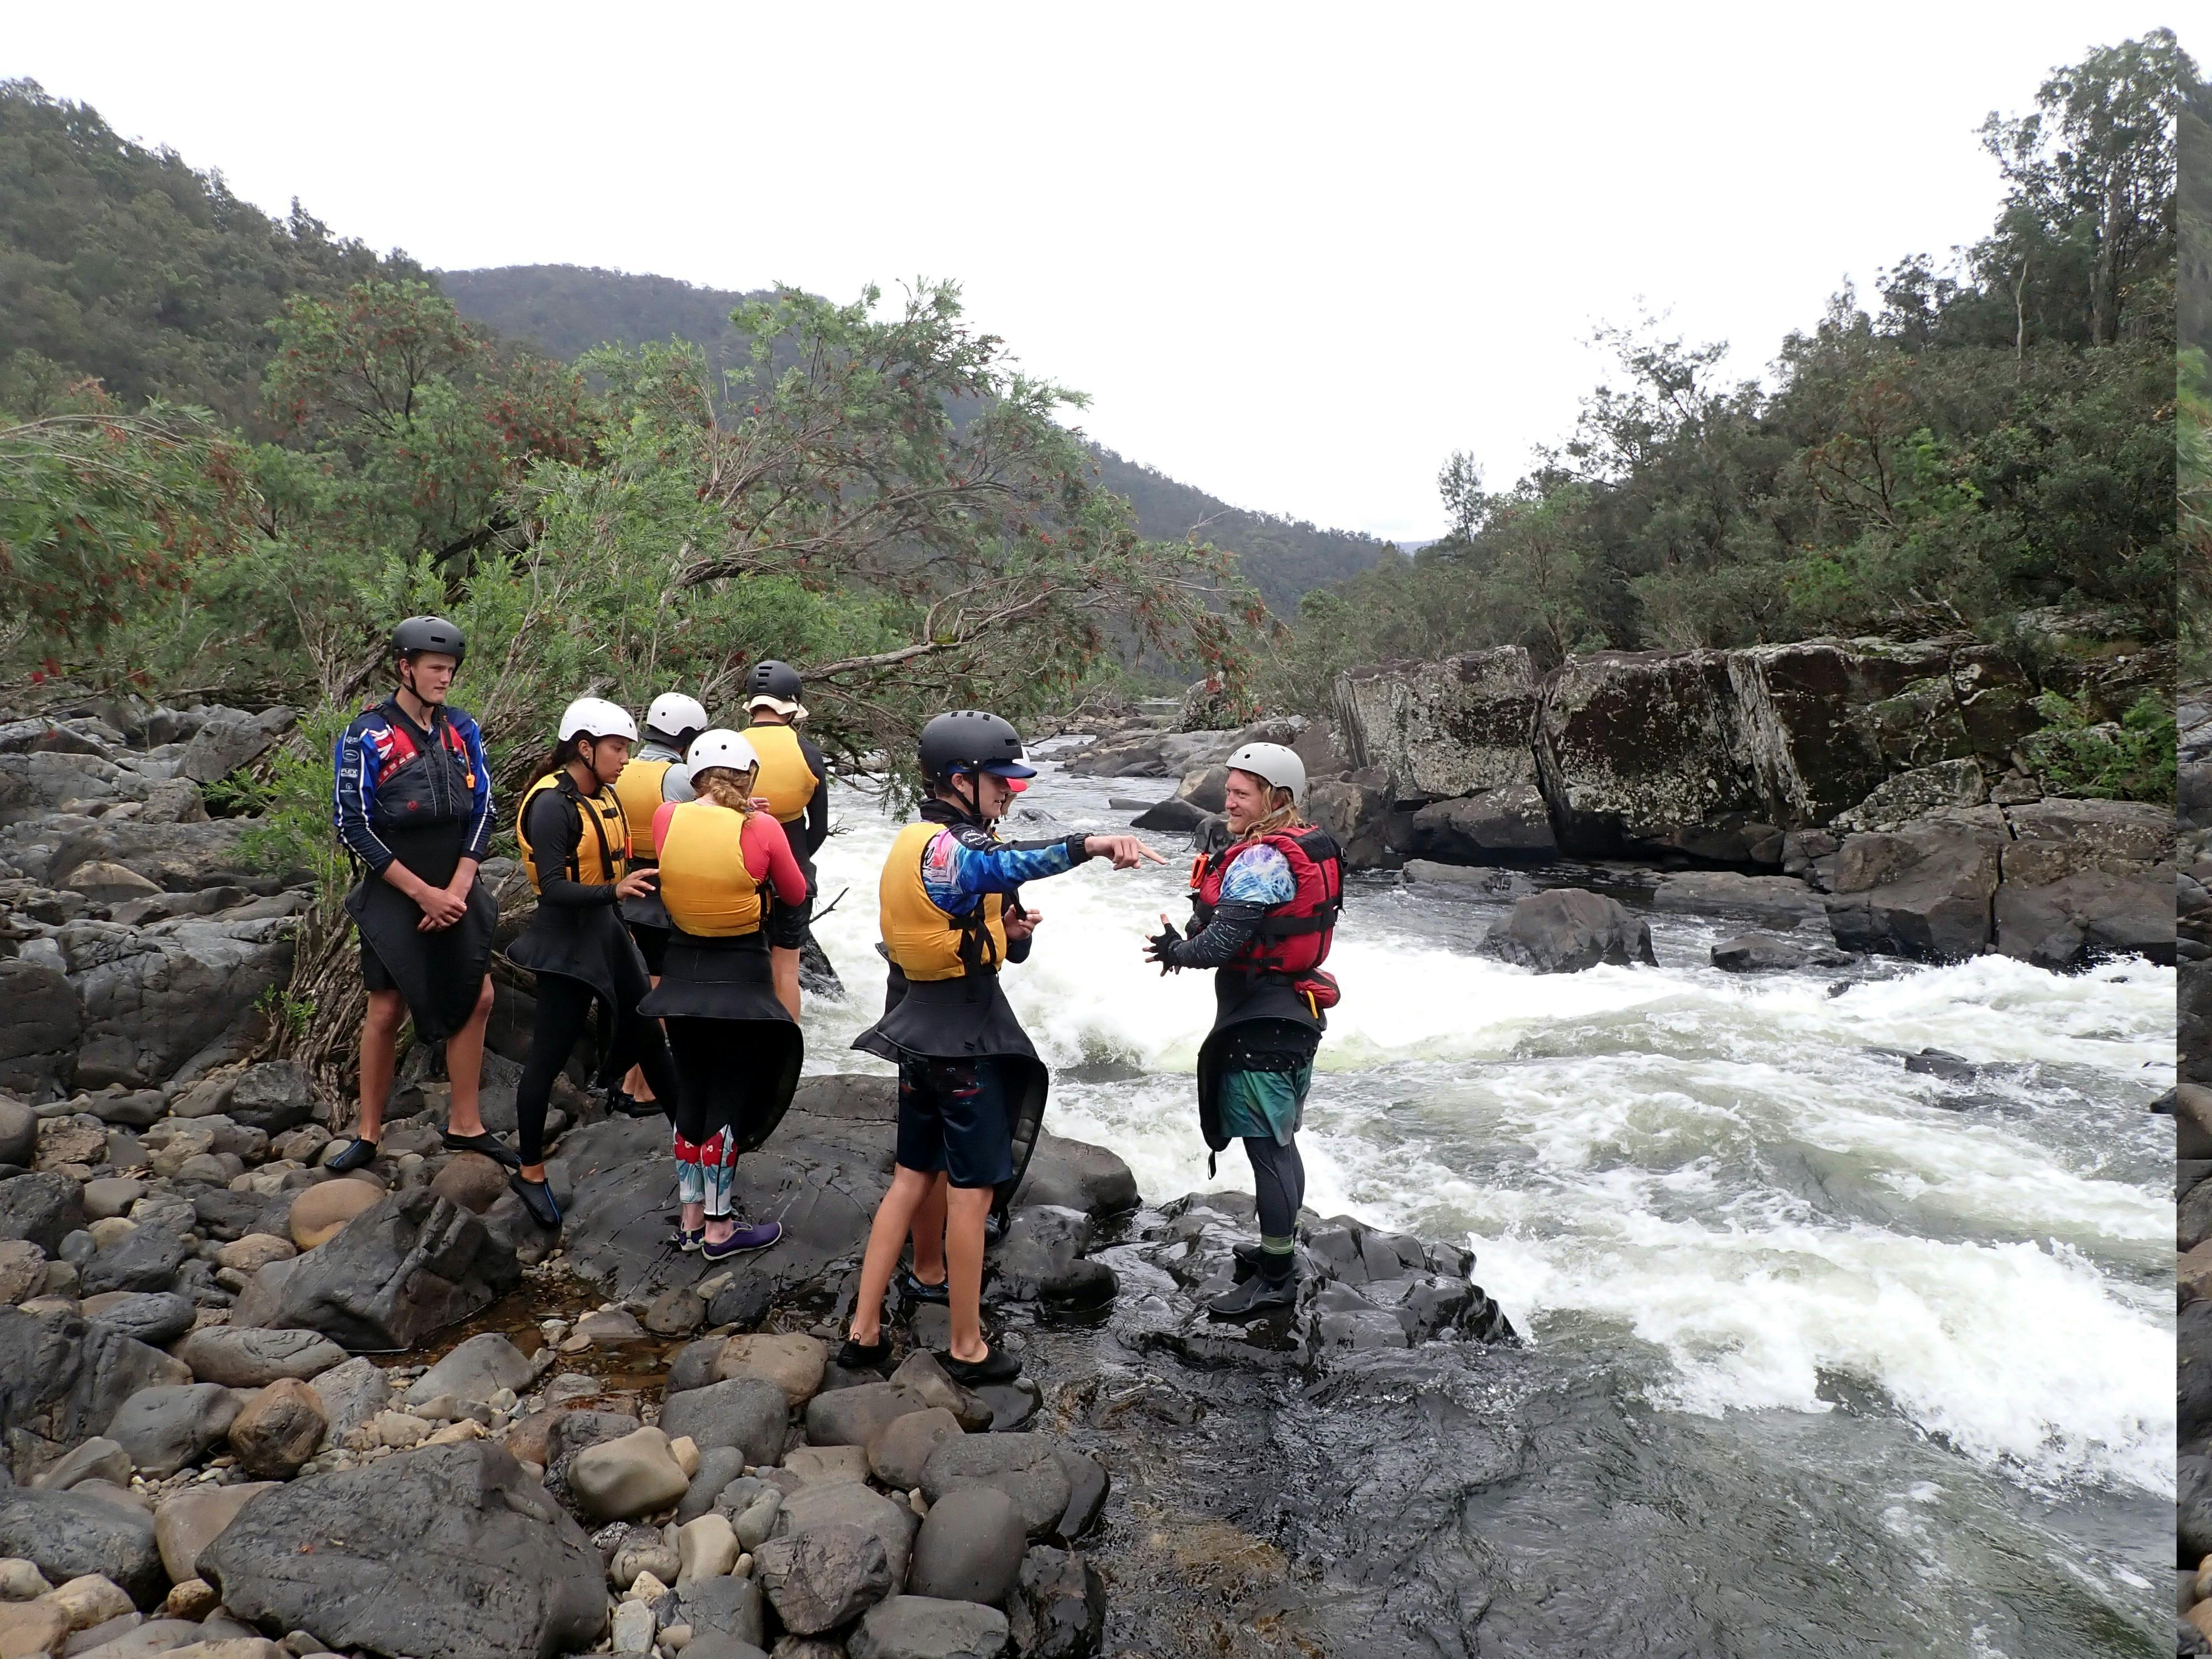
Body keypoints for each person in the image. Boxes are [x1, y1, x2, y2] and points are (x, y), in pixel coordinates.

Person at [841, 711, 1165, 1385]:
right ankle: (967, 1347)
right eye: (1000, 781)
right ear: (960, 780)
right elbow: (1007, 863)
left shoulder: (914, 840)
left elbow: (993, 937)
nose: (1010, 792)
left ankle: (863, 1332)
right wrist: (1093, 844)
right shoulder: (953, 852)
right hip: (967, 1043)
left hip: (916, 1032)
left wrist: (1014, 930)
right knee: (970, 1195)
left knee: (909, 1180)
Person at [1144, 742, 1343, 1317]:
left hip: (1266, 1020)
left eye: (1241, 792)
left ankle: (1277, 1277)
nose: (1227, 799)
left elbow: (1221, 943)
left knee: (1268, 1151)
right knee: (1280, 1143)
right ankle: (1276, 1253)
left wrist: (1177, 950)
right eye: (1228, 788)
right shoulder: (1297, 843)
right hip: (1287, 1011)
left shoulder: (1262, 860)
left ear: (1274, 798)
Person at [329, 616, 513, 1175]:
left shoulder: (462, 728)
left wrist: (456, 887)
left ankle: (466, 1125)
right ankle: (367, 1133)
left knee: (476, 996)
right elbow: (352, 824)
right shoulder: (368, 732)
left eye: (451, 670)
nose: (445, 679)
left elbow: (485, 810)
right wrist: (421, 894)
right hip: (396, 882)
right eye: (436, 668)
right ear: (404, 668)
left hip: (454, 878)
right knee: (386, 1008)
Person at [504, 698, 683, 1228]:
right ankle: (530, 1170)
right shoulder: (551, 805)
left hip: (606, 934)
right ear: (584, 747)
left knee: (648, 1035)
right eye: (616, 747)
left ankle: (693, 1146)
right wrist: (615, 891)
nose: (626, 756)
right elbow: (555, 889)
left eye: (627, 746)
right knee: (548, 1058)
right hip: (564, 945)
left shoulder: (602, 795)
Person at [637, 729, 810, 1260]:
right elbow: (796, 891)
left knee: (691, 1086)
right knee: (730, 1092)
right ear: (748, 778)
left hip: (683, 971)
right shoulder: (762, 827)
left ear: (695, 778)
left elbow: (700, 826)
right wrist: (759, 823)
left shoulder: (669, 816)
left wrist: (743, 816)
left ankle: (690, 1222)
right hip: (739, 974)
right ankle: (719, 1228)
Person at [609, 691, 710, 1114]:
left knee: (639, 986)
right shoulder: (680, 777)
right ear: (685, 736)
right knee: (660, 987)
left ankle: (631, 1082)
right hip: (663, 890)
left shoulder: (623, 768)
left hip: (627, 885)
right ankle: (646, 1088)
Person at [740, 661, 830, 1021]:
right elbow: (819, 827)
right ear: (792, 706)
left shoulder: (729, 749)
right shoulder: (807, 752)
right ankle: (788, 1054)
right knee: (786, 970)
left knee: (741, 966)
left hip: (740, 875)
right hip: (793, 876)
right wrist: (793, 864)